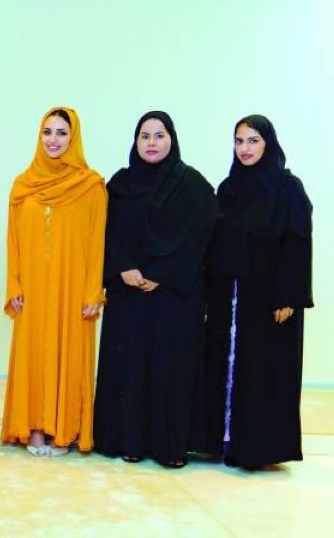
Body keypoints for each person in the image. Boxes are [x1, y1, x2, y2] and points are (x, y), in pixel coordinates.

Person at [93, 111, 217, 468]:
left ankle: (170, 447)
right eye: (144, 136)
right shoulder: (120, 185)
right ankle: (128, 440)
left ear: (171, 139)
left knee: (170, 372)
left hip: (174, 297)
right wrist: (123, 268)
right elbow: (104, 232)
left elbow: (202, 237)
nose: (151, 143)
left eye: (159, 135)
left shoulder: (193, 185)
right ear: (135, 141)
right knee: (130, 367)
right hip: (129, 295)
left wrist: (163, 273)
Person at [195, 114, 312, 470]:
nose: (244, 148)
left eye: (253, 140)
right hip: (228, 297)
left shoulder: (287, 189)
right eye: (239, 141)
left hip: (269, 299)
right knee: (224, 366)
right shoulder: (229, 188)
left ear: (268, 144)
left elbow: (297, 244)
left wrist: (289, 296)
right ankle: (222, 441)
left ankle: (256, 450)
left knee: (262, 370)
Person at [0, 106, 106, 457]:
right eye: (47, 132)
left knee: (69, 356)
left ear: (73, 138)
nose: (53, 139)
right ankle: (33, 430)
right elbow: (13, 240)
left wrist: (93, 291)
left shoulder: (91, 187)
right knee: (33, 356)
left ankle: (63, 431)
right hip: (31, 289)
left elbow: (97, 243)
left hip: (72, 289)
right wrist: (14, 284)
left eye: (62, 132)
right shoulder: (23, 185)